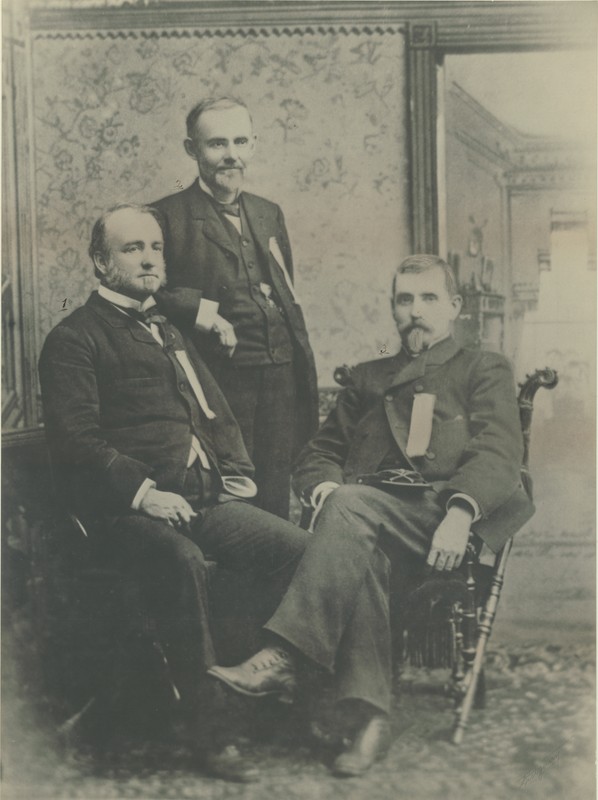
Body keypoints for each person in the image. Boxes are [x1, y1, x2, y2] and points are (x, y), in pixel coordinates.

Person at [208, 254, 535, 777]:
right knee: (358, 542)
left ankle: (285, 657)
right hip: (364, 516)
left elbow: (499, 450)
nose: (416, 311)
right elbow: (318, 453)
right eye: (404, 300)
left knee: (352, 513)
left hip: (442, 515)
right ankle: (369, 722)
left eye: (429, 298)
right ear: (392, 309)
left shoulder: (483, 367)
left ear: (455, 307)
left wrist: (459, 513)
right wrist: (325, 488)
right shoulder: (369, 377)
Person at [38, 204, 309, 783]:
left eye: (156, 247)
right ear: (100, 263)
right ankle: (212, 733)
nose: (149, 258)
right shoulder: (74, 339)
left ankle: (276, 692)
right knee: (182, 562)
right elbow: (77, 440)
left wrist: (235, 473)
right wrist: (141, 494)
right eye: (133, 249)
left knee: (299, 549)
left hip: (202, 500)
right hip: (120, 514)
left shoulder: (168, 327)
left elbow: (214, 409)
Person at [152, 96, 318, 519]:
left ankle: (277, 581)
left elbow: (285, 293)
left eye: (241, 142)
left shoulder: (268, 212)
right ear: (192, 150)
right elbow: (147, 290)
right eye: (217, 144)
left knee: (276, 488)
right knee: (233, 493)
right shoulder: (166, 216)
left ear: (254, 144)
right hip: (219, 379)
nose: (232, 155)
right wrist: (202, 311)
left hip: (280, 371)